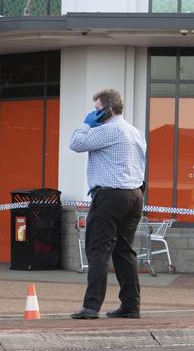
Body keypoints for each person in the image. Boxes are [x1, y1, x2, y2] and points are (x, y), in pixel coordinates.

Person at [69, 88, 147, 320]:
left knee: (98, 250)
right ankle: (131, 305)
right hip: (134, 195)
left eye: (97, 109)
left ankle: (91, 306)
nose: (94, 113)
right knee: (124, 252)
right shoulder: (135, 132)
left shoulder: (109, 130)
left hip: (110, 196)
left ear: (109, 110)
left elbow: (76, 143)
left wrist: (86, 124)